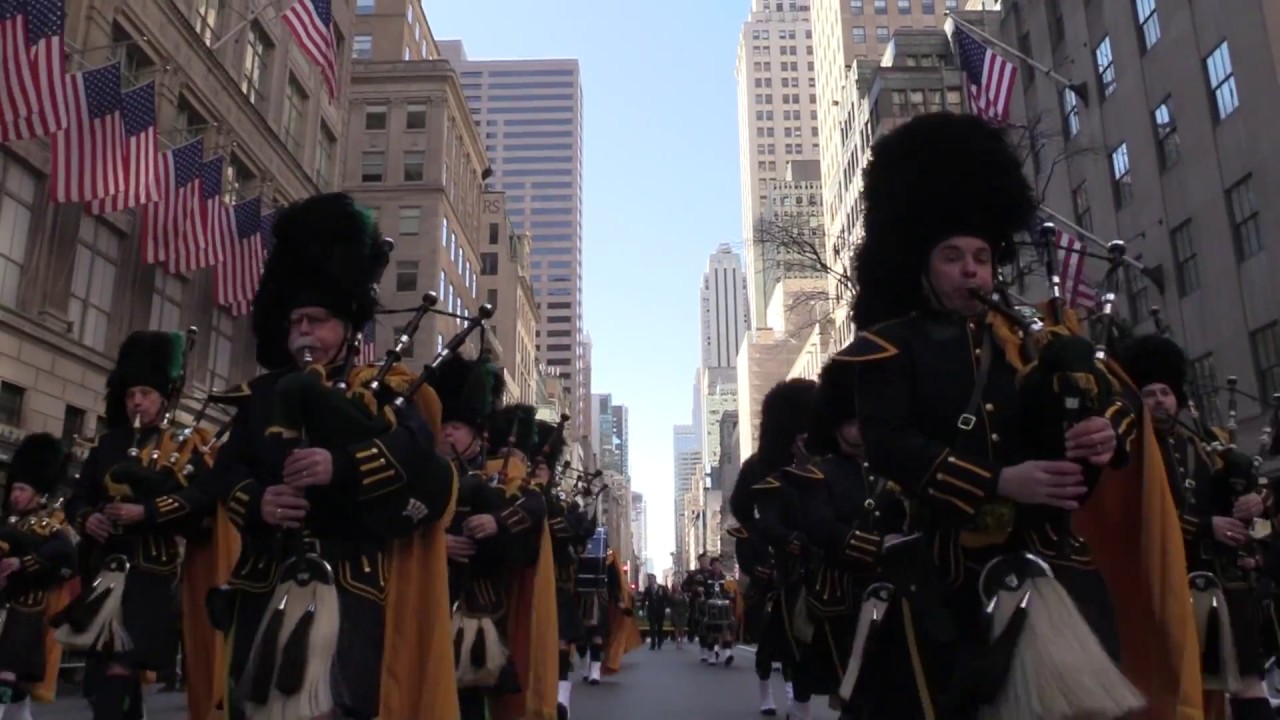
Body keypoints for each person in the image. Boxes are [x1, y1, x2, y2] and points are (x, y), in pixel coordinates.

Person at [847, 111, 1190, 719]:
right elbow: (888, 445)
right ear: (923, 265)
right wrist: (997, 480)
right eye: (952, 256)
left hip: (1057, 566)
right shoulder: (891, 346)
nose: (971, 268)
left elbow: (1116, 402)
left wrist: (1105, 430)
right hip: (948, 578)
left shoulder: (1035, 336)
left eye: (980, 255)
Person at [183, 193, 459, 720]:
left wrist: (342, 467)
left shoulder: (386, 393)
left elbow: (419, 458)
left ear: (350, 328)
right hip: (264, 581)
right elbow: (227, 473)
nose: (304, 332)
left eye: (316, 320)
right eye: (295, 323)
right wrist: (259, 503)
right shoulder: (262, 396)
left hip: (352, 585)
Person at [59, 331, 217, 720]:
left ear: (164, 398)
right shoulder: (108, 445)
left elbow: (200, 500)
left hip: (150, 575)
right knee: (101, 683)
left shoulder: (183, 445)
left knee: (121, 669)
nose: (137, 402)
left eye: (145, 393)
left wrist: (146, 513)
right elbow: (78, 497)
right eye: (131, 394)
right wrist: (87, 518)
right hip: (104, 569)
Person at [1118, 334, 1272, 720]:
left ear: (1178, 399)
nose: (1158, 401)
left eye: (1165, 393)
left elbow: (1249, 516)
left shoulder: (1203, 447)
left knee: (1246, 679)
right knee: (1183, 686)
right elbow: (1141, 516)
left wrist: (1258, 504)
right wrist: (1206, 527)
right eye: (1149, 393)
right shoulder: (1132, 449)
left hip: (1223, 582)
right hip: (1166, 580)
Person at [788, 351, 908, 720]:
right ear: (835, 424)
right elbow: (822, 529)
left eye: (864, 421)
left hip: (899, 590)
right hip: (841, 596)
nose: (860, 429)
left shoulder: (896, 469)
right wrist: (878, 548)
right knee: (854, 691)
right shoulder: (818, 473)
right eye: (851, 422)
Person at [445, 403, 555, 720]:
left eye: (456, 426)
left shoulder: (496, 477)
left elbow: (533, 509)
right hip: (421, 597)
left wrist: (498, 521)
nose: (446, 432)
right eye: (443, 425)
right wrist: (435, 545)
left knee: (472, 698)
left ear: (479, 438)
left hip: (477, 603)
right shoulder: (422, 469)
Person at [734, 378, 817, 714]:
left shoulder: (826, 460)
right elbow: (742, 510)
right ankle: (787, 703)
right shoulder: (758, 468)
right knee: (782, 645)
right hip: (784, 575)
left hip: (831, 566)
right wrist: (764, 540)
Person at [0, 433, 77, 717]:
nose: (15, 495)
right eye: (14, 489)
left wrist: (23, 563)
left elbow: (66, 554)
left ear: (37, 492)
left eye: (21, 489)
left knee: (6, 671)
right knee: (17, 681)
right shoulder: (9, 522)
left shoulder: (51, 523)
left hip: (28, 608)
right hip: (7, 606)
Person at [642, 573, 669, 650]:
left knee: (660, 627)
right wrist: (642, 608)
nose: (650, 580)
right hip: (651, 610)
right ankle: (652, 644)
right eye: (649, 579)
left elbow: (666, 598)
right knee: (652, 628)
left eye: (651, 579)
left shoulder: (662, 588)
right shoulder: (647, 589)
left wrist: (667, 607)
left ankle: (659, 641)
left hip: (660, 610)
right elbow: (644, 599)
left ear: (655, 579)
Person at [669, 585, 690, 650]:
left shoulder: (682, 594)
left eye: (677, 586)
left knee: (682, 628)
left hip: (682, 613)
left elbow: (685, 603)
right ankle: (677, 643)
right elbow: (671, 603)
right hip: (675, 613)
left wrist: (687, 611)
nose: (676, 588)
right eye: (675, 586)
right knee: (677, 628)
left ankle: (681, 641)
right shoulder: (672, 595)